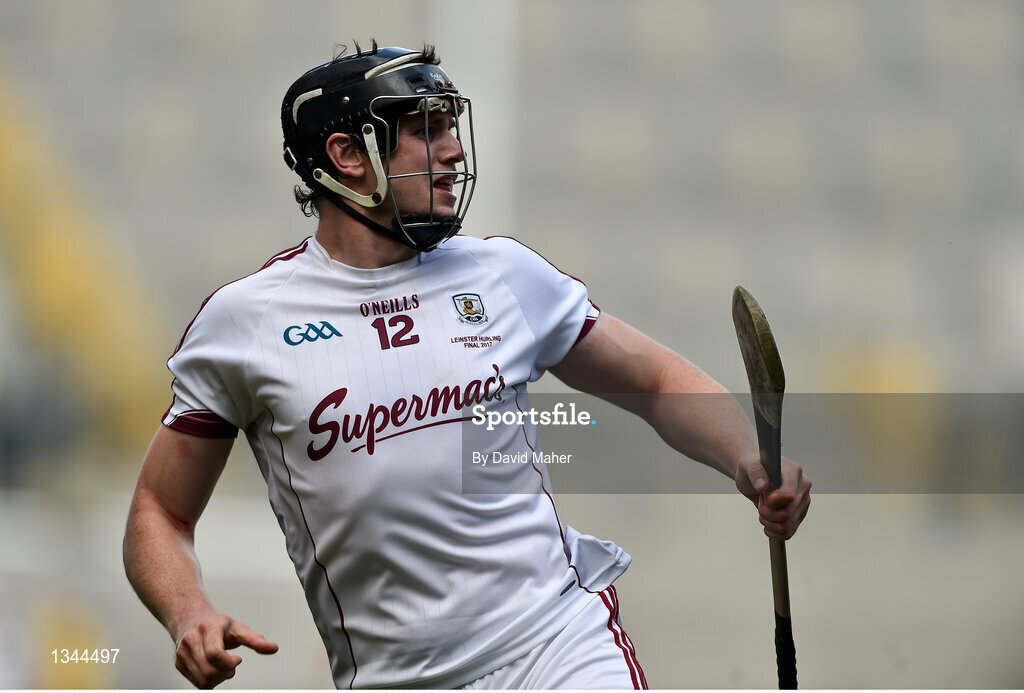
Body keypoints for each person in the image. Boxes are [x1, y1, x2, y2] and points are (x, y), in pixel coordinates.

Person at [123, 41, 811, 690]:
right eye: (426, 129)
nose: (453, 150)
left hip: (554, 643)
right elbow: (159, 509)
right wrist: (187, 611)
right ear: (346, 154)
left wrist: (749, 460)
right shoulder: (247, 323)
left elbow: (654, 380)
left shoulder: (502, 274)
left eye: (452, 125)